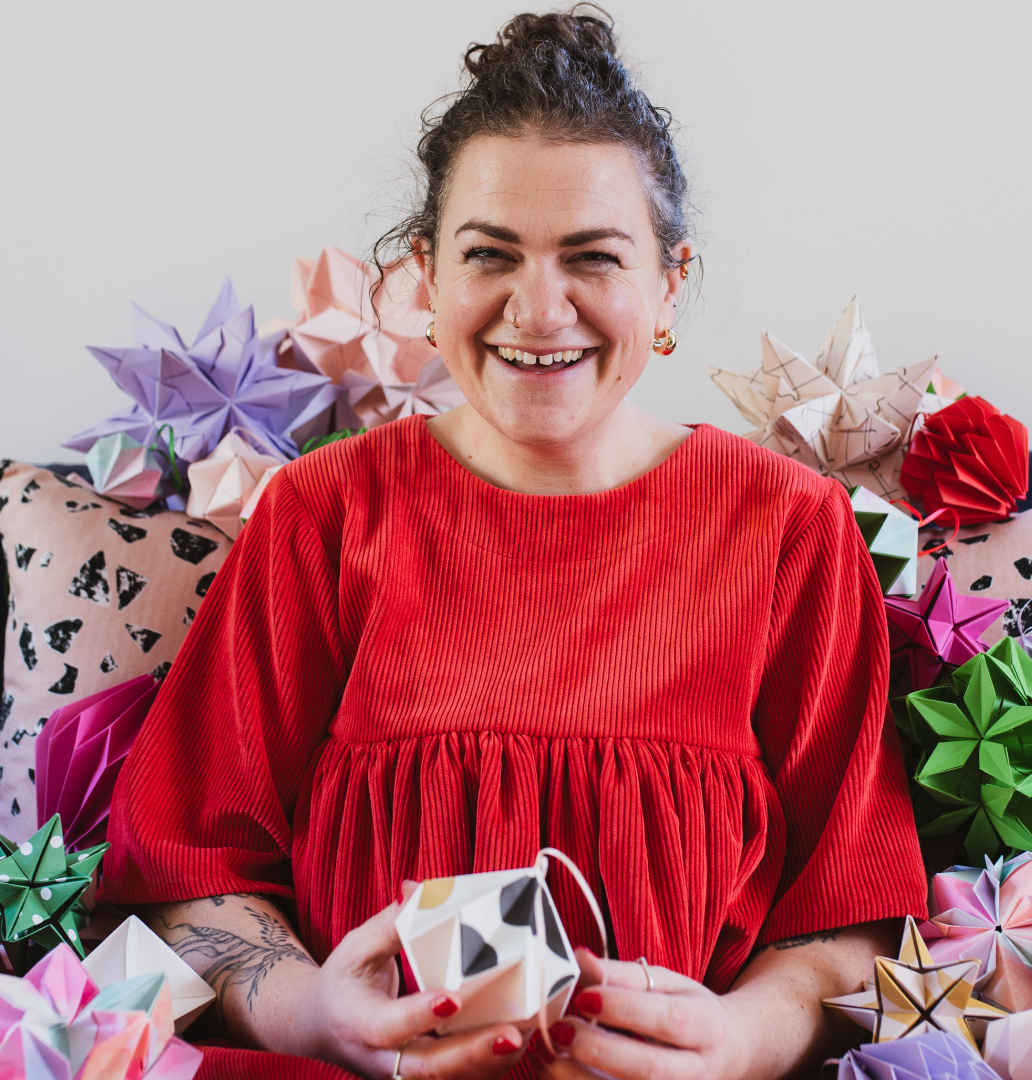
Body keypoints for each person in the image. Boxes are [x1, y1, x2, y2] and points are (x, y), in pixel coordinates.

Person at [100, 7, 928, 1079]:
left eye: (594, 257)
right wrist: (315, 1016)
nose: (540, 310)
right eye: (491, 254)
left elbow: (847, 918)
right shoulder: (323, 512)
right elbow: (190, 868)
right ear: (424, 276)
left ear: (670, 283)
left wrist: (734, 1043)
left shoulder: (789, 527)